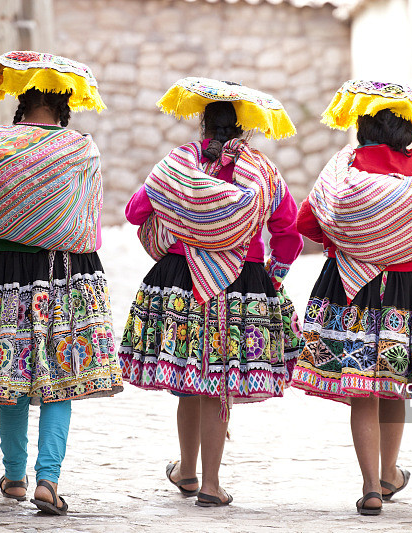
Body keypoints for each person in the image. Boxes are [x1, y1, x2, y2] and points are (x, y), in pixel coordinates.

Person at [0, 51, 122, 516]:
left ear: (22, 100)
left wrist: (16, 224)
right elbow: (88, 217)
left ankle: (14, 477)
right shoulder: (80, 149)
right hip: (63, 270)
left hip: (1, 272)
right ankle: (48, 480)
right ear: (65, 104)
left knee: (12, 373)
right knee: (60, 378)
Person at [118, 77, 303, 507]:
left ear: (203, 124)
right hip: (241, 283)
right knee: (218, 381)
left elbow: (135, 211)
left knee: (190, 376)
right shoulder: (263, 172)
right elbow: (288, 233)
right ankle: (210, 484)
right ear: (243, 127)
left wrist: (182, 216)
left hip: (180, 280)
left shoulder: (178, 165)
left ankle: (187, 470)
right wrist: (274, 276)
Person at [291, 80, 412, 515]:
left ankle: (371, 488)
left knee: (362, 389)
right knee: (393, 385)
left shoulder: (343, 169)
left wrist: (358, 240)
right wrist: (402, 239)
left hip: (354, 288)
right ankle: (389, 474)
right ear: (408, 131)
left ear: (363, 128)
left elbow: (308, 221)